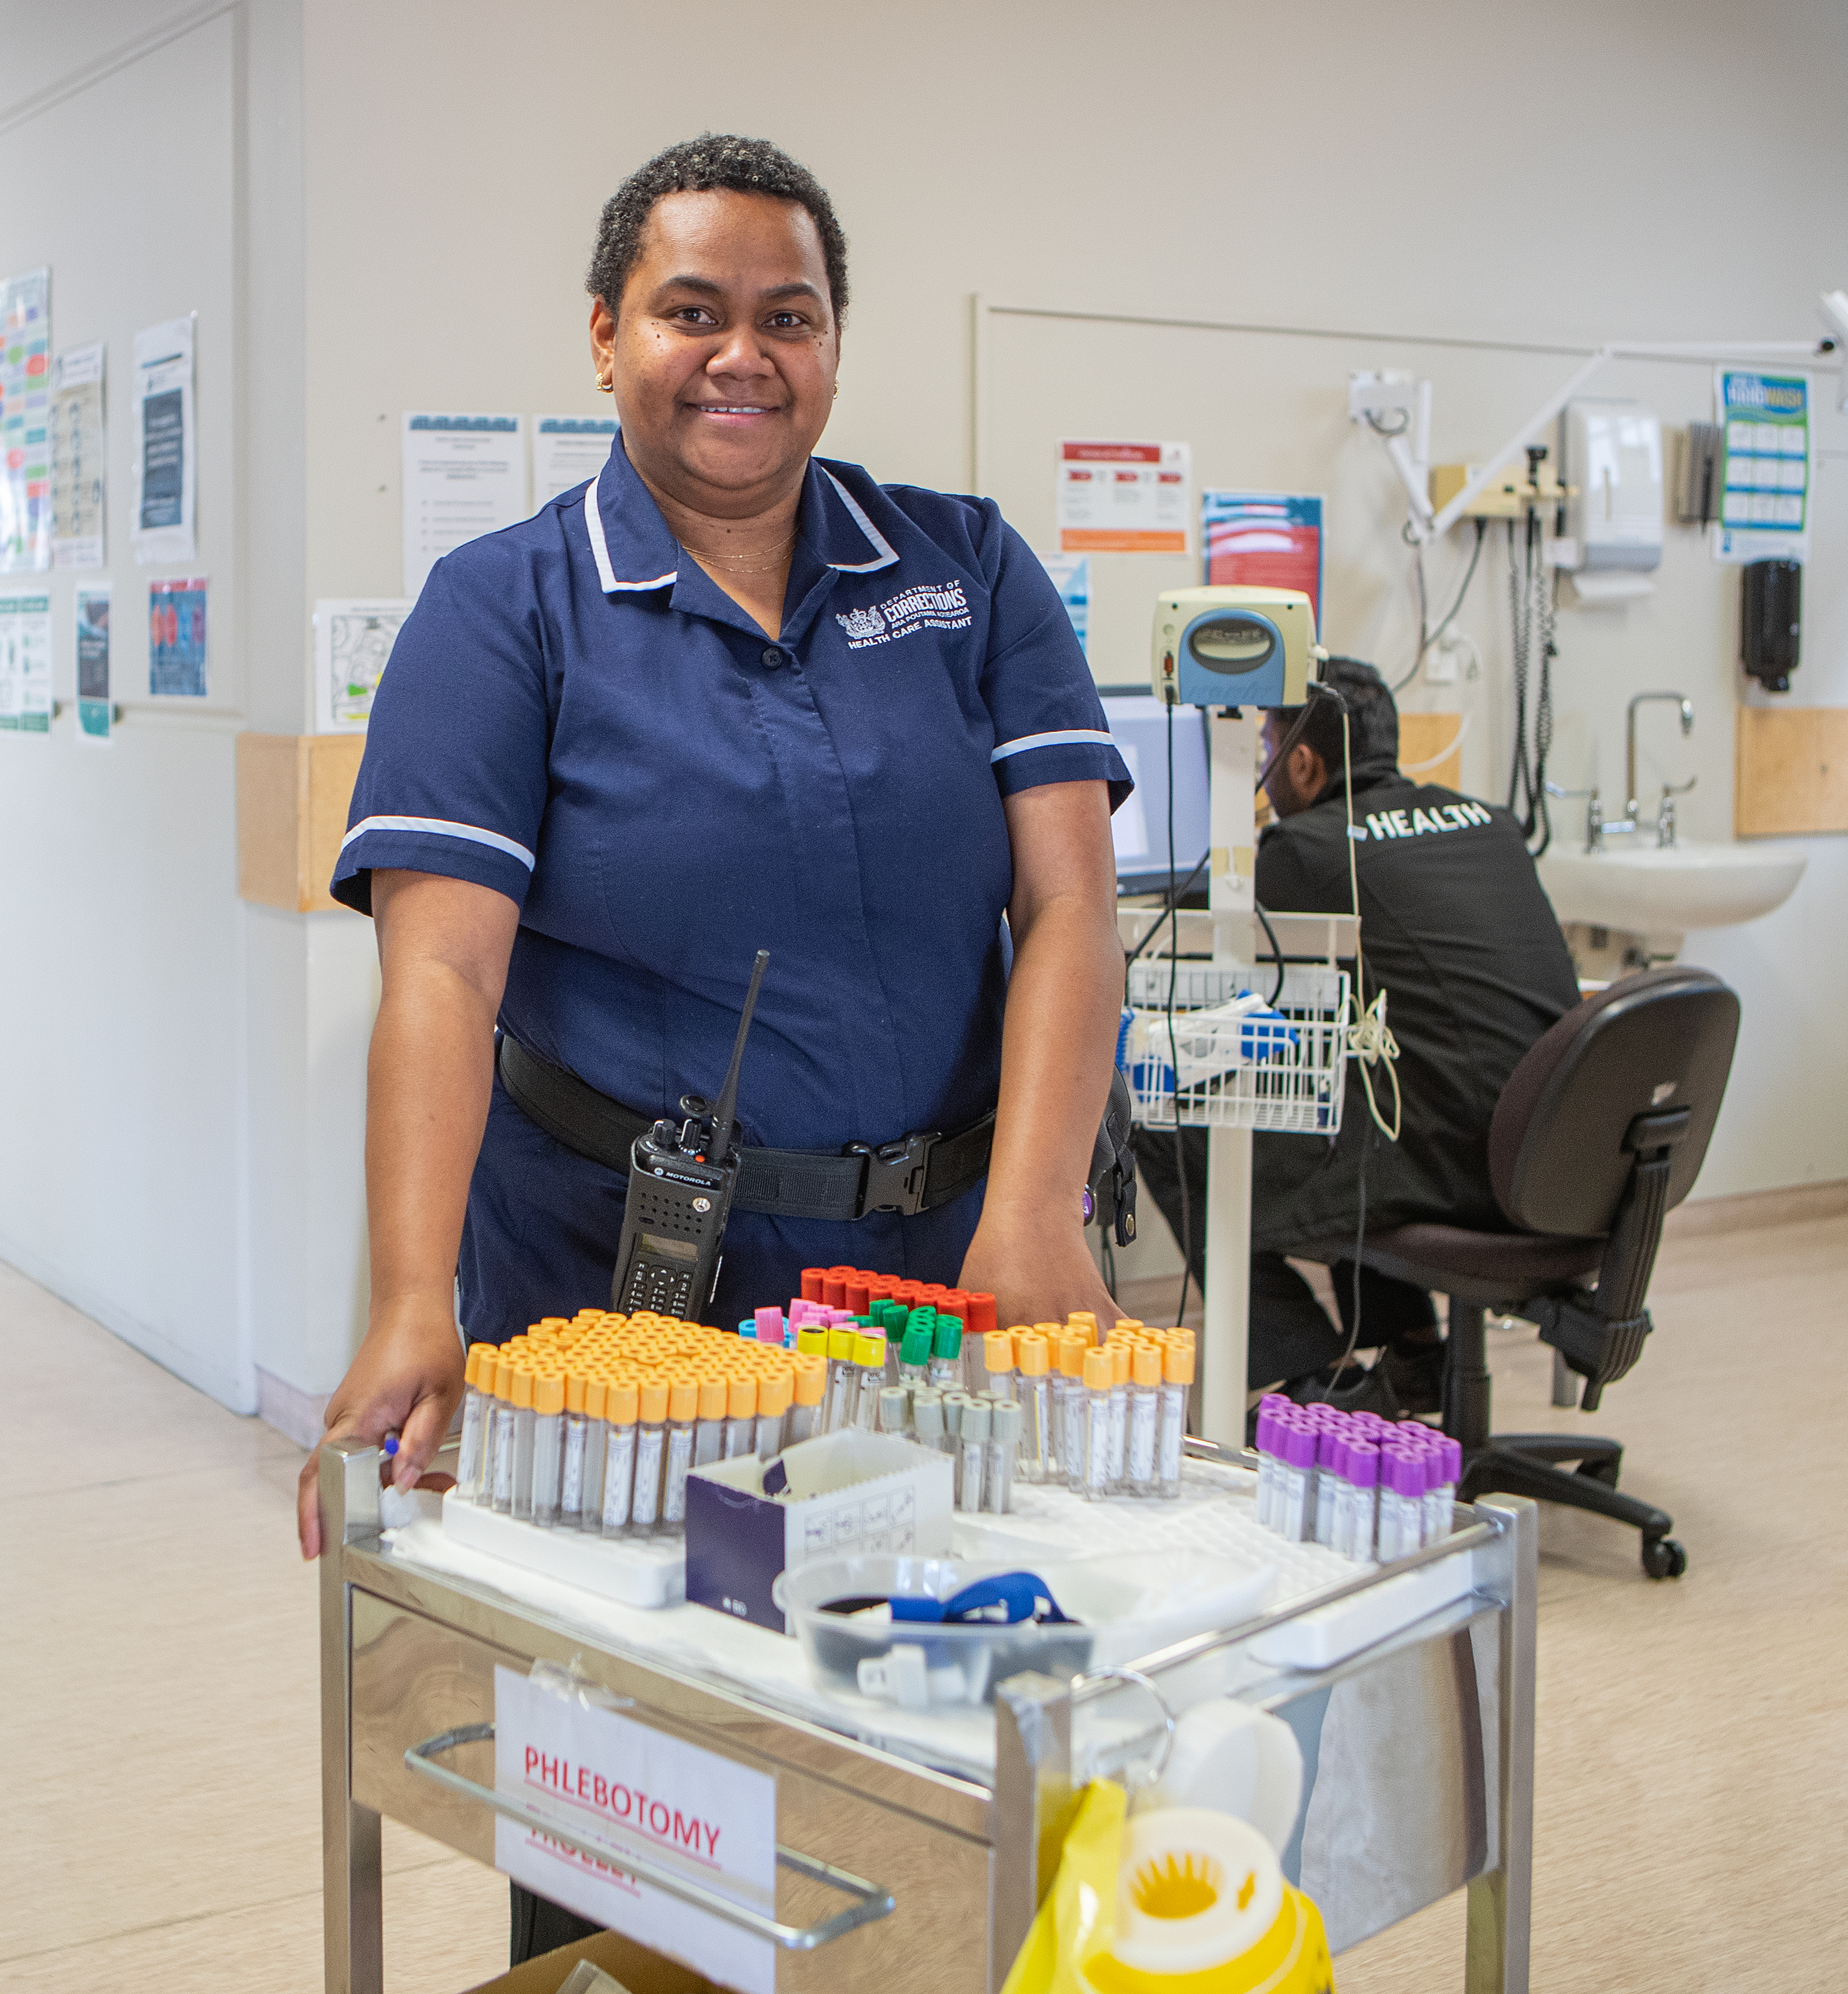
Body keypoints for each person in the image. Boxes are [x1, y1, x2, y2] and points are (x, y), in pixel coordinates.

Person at [296, 130, 1132, 1957]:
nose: (741, 352)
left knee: (924, 1726)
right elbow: (439, 979)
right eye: (692, 310)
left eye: (789, 314)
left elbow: (1068, 899)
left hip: (931, 1282)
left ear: (835, 344)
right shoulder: (503, 608)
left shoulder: (964, 570)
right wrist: (408, 1288)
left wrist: (1034, 1203)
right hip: (617, 1291)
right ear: (605, 335)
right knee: (626, 1766)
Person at [1128, 657, 1582, 1410]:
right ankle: (1411, 1352)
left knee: (1164, 1116)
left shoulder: (1305, 848)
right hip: (1559, 1152)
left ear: (1301, 762)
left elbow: (1197, 923)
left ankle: (1308, 1373)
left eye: (1267, 748)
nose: (1266, 767)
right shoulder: (1494, 825)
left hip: (1464, 1165)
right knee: (1358, 1094)